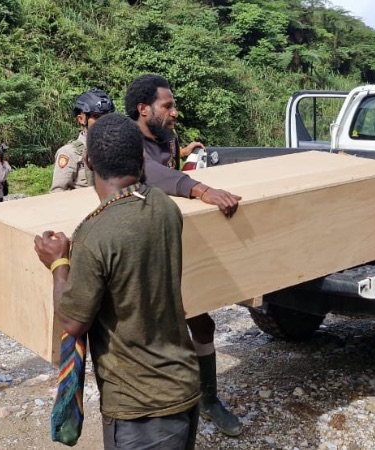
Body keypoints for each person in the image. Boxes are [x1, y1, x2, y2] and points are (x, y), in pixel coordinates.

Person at [34, 113, 200, 449]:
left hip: (140, 407)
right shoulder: (164, 206)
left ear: (89, 161)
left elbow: (72, 321)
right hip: (183, 384)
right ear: (141, 157)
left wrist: (58, 264)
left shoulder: (96, 234)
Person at [125, 73, 243, 436]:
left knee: (202, 322)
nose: (174, 113)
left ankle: (208, 399)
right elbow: (148, 173)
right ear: (143, 109)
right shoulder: (123, 141)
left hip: (172, 242)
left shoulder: (168, 138)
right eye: (168, 106)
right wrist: (200, 189)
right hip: (135, 248)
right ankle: (148, 414)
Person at [50, 88, 115, 193]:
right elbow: (57, 193)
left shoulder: (117, 147)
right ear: (81, 119)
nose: (103, 122)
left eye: (107, 117)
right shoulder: (70, 153)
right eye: (96, 117)